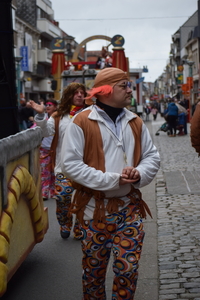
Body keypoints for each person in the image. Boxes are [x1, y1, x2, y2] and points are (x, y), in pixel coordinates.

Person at [61, 67, 160, 299]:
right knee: (94, 272)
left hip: (129, 208)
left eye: (129, 85)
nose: (129, 89)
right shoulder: (81, 121)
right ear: (105, 91)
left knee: (128, 269)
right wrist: (113, 180)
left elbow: (152, 156)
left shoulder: (135, 121)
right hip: (94, 211)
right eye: (123, 85)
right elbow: (70, 165)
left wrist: (138, 173)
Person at [29, 83, 86, 239]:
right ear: (69, 95)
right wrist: (41, 116)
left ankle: (79, 227)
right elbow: (46, 131)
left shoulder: (92, 113)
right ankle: (65, 222)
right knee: (62, 197)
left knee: (84, 200)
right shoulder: (60, 115)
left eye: (82, 92)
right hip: (64, 166)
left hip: (86, 167)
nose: (80, 95)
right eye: (76, 93)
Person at [39, 99, 58, 200]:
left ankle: (54, 191)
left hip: (55, 150)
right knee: (45, 172)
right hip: (44, 150)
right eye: (46, 105)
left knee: (55, 172)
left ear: (55, 107)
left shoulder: (59, 118)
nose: (48, 106)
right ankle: (44, 193)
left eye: (50, 105)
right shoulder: (43, 118)